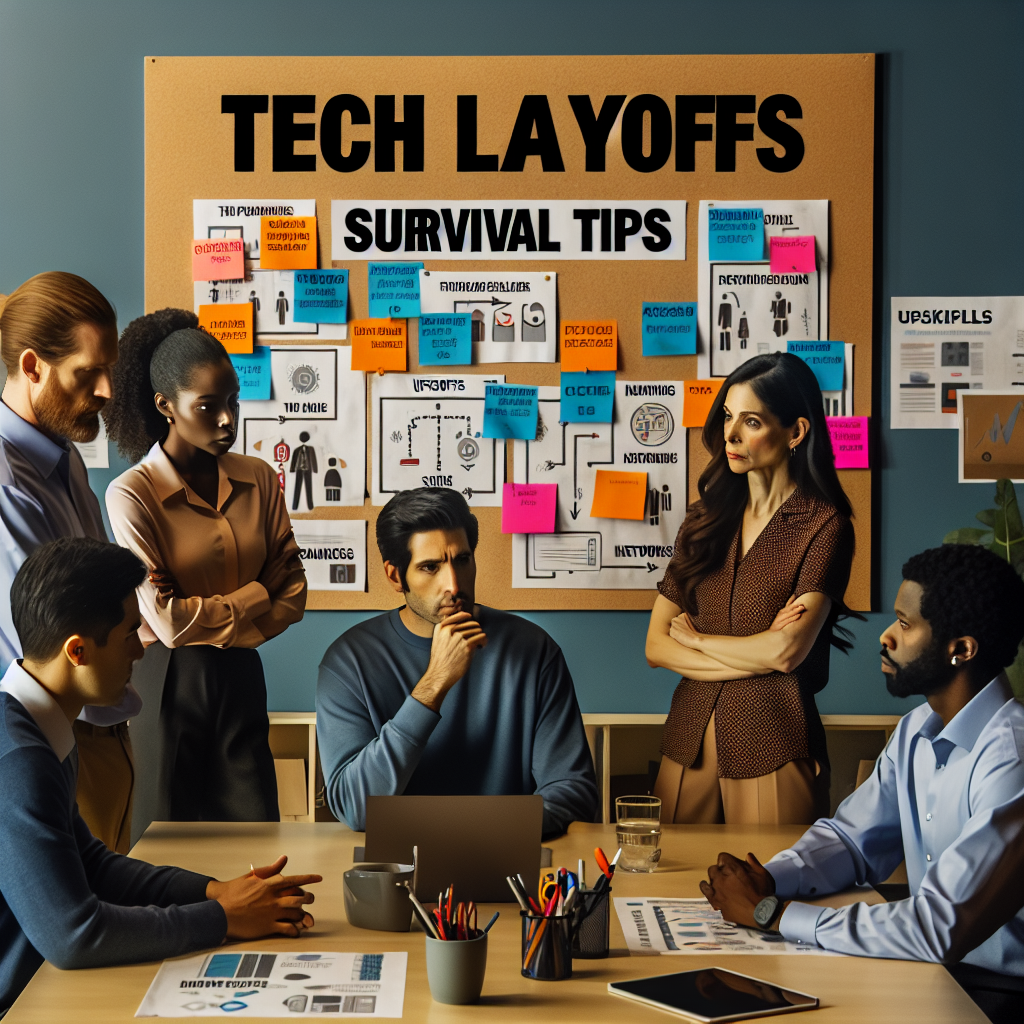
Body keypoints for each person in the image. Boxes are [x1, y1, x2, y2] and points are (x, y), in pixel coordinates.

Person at [698, 544, 1024, 1024]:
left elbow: (939, 928)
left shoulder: (1012, 759)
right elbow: (852, 840)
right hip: (932, 973)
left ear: (962, 649)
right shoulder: (916, 728)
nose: (886, 637)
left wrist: (772, 912)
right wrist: (771, 879)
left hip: (1000, 995)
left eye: (906, 624)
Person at [0, 537, 319, 1016]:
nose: (141, 649)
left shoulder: (38, 725)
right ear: (78, 651)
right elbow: (74, 935)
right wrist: (222, 919)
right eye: (131, 632)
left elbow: (94, 865)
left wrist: (215, 891)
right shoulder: (20, 758)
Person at [103, 309, 307, 825]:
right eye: (208, 406)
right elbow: (168, 627)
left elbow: (296, 595)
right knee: (166, 833)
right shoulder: (132, 494)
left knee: (258, 829)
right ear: (165, 406)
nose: (228, 420)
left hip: (242, 673)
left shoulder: (259, 478)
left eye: (234, 402)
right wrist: (258, 591)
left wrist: (204, 611)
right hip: (166, 681)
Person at [316, 487, 598, 838]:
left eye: (462, 560)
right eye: (430, 567)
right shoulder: (347, 662)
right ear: (395, 576)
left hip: (507, 859)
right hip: (395, 870)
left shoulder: (534, 650)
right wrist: (434, 684)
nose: (453, 583)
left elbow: (573, 792)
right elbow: (355, 807)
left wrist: (467, 833)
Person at [647, 352, 855, 825]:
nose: (731, 435)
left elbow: (785, 654)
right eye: (727, 417)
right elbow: (656, 645)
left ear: (796, 432)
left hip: (774, 739)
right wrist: (754, 654)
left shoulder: (825, 527)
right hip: (688, 741)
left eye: (751, 421)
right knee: (664, 886)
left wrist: (698, 641)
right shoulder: (702, 522)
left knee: (773, 890)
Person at [0, 271, 138, 853]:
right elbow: (46, 634)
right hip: (50, 739)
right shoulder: (7, 479)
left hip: (95, 729)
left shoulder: (65, 459)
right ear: (33, 366)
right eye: (88, 373)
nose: (107, 391)